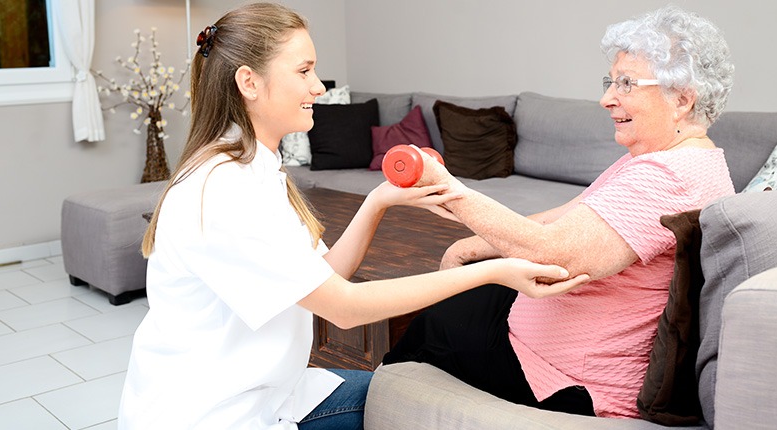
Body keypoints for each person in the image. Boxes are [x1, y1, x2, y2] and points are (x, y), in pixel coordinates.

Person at [116, 3, 580, 429]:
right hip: (215, 414)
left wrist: (378, 200)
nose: (319, 86)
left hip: (274, 395)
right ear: (249, 83)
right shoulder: (223, 189)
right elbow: (342, 306)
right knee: (423, 404)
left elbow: (325, 274)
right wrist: (492, 272)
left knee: (413, 388)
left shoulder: (255, 170)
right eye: (304, 70)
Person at [382, 5, 737, 419]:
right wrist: (471, 244)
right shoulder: (664, 157)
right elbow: (558, 217)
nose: (607, 98)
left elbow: (554, 253)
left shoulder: (669, 176)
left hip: (570, 377)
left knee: (430, 325)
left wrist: (449, 189)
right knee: (457, 296)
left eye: (626, 83)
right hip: (543, 336)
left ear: (681, 99)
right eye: (610, 81)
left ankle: (374, 407)